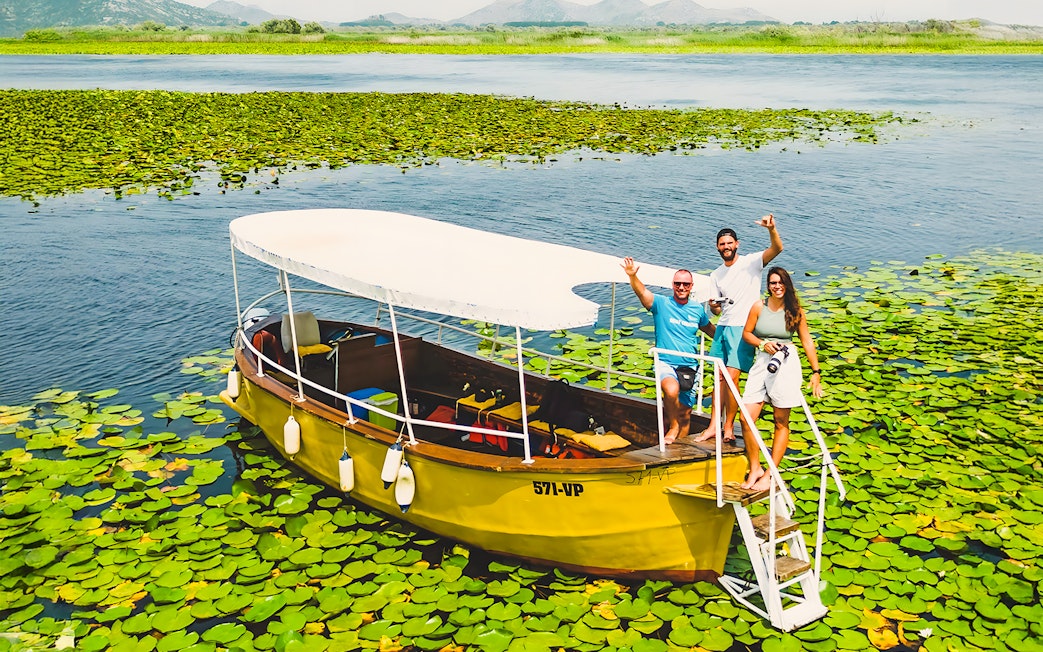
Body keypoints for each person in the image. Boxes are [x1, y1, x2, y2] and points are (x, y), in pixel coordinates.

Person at [694, 214, 783, 443]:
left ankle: (728, 427)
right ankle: (713, 425)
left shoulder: (751, 262)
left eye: (729, 243)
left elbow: (777, 248)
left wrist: (771, 229)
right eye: (722, 244)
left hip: (742, 327)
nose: (726, 247)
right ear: (717, 247)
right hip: (723, 326)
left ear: (737, 244)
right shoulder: (716, 274)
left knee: (732, 378)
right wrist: (714, 306)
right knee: (718, 379)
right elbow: (716, 310)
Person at [739, 267, 823, 491]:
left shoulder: (796, 311)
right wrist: (762, 343)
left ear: (787, 284)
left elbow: (807, 341)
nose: (777, 286)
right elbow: (747, 333)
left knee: (780, 421)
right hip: (763, 361)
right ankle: (755, 467)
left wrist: (816, 372)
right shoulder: (759, 306)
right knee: (746, 418)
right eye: (772, 283)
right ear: (768, 285)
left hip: (786, 363)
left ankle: (770, 474)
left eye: (780, 282)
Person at [621, 257, 716, 444]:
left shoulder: (697, 309)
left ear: (691, 286)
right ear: (672, 285)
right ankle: (673, 428)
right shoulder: (661, 304)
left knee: (685, 414)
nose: (681, 287)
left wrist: (732, 340)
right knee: (671, 391)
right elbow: (643, 293)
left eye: (685, 284)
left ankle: (677, 450)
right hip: (666, 361)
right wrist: (633, 276)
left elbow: (710, 329)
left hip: (689, 366)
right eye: (678, 283)